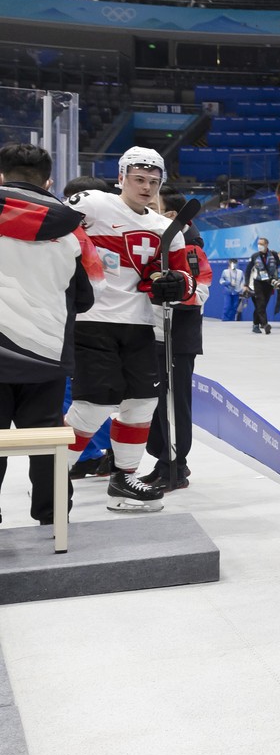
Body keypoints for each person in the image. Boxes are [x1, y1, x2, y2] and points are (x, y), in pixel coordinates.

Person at [63, 147, 196, 512]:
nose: (146, 187)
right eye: (139, 179)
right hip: (93, 321)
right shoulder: (93, 204)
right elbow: (55, 233)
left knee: (142, 403)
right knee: (93, 405)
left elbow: (185, 278)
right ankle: (54, 476)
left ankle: (123, 479)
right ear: (120, 178)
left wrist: (175, 284)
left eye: (154, 182)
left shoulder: (166, 229)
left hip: (140, 325)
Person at [0, 143, 96, 525]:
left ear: (2, 177)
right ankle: (53, 521)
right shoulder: (72, 230)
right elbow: (86, 298)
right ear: (49, 181)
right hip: (46, 354)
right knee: (47, 442)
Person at [144, 193, 212, 491]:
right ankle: (162, 461)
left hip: (178, 336)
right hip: (155, 334)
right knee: (158, 404)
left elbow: (201, 290)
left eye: (155, 208)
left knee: (174, 403)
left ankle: (176, 466)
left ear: (171, 215)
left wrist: (180, 288)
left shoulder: (191, 246)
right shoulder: (158, 241)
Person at [245, 237, 280, 335]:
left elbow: (279, 266)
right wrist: (246, 284)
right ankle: (265, 324)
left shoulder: (273, 255)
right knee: (260, 303)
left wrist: (279, 278)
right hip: (258, 282)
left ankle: (256, 324)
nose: (259, 246)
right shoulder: (255, 256)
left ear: (266, 245)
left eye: (261, 244)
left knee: (263, 305)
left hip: (269, 283)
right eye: (258, 244)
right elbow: (248, 270)